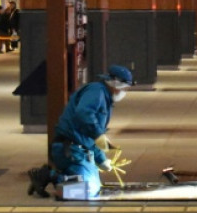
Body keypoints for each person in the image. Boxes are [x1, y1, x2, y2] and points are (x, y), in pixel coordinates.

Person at [27, 65, 134, 199]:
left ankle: (57, 177)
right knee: (89, 189)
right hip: (70, 149)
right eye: (125, 88)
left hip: (80, 150)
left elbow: (91, 136)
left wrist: (101, 159)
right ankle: (53, 178)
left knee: (96, 184)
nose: (125, 92)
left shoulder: (103, 97)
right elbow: (84, 114)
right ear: (115, 85)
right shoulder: (96, 92)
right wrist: (98, 135)